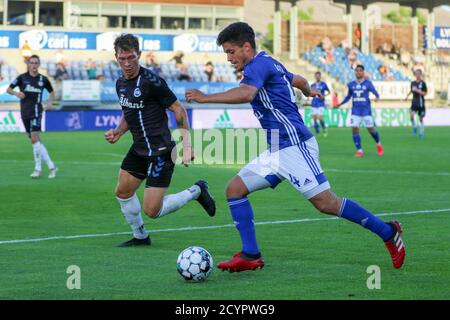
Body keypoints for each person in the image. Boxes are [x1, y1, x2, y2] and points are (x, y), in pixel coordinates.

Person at [185, 22, 405, 272]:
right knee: (234, 189)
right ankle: (250, 255)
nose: (229, 58)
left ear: (247, 47)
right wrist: (309, 92)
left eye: (231, 52)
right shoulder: (270, 63)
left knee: (326, 203)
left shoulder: (257, 66)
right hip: (277, 148)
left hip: (295, 145)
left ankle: (388, 232)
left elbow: (246, 94)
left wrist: (206, 97)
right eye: (226, 53)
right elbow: (297, 79)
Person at [104, 34, 216, 247]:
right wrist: (119, 131)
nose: (127, 63)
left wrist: (186, 144)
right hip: (138, 150)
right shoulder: (120, 83)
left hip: (161, 151)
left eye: (131, 58)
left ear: (139, 55)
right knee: (123, 192)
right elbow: (129, 111)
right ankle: (140, 237)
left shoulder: (152, 82)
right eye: (122, 59)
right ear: (116, 57)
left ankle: (197, 190)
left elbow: (178, 109)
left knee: (152, 210)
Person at [7, 55, 57, 179]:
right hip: (24, 112)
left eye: (36, 63)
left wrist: (49, 103)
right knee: (36, 141)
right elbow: (8, 89)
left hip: (37, 111)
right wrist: (16, 93)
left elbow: (52, 92)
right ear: (28, 64)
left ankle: (38, 169)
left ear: (39, 64)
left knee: (34, 138)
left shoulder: (43, 79)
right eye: (32, 63)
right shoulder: (22, 78)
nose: (34, 65)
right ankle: (51, 166)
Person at [335, 65, 384, 157]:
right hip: (355, 111)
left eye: (360, 70)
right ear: (355, 72)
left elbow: (376, 93)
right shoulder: (351, 84)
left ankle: (378, 144)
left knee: (370, 129)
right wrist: (340, 104)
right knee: (354, 129)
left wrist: (377, 97)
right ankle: (360, 150)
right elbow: (348, 96)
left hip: (366, 110)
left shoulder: (368, 83)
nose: (358, 72)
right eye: (357, 70)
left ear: (363, 72)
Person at [404, 69, 427, 138]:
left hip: (421, 103)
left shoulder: (423, 83)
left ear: (421, 74)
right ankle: (414, 127)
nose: (417, 75)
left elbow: (425, 93)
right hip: (414, 103)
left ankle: (422, 132)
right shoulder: (413, 83)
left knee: (420, 118)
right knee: (411, 116)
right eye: (416, 74)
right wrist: (406, 97)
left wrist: (418, 91)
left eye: (418, 74)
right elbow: (411, 91)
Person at [310, 71, 330, 136]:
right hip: (314, 103)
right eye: (316, 75)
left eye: (319, 75)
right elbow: (310, 93)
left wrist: (324, 96)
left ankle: (324, 128)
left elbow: (329, 92)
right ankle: (317, 132)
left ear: (320, 76)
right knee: (315, 119)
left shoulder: (323, 84)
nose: (317, 77)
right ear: (315, 76)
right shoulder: (312, 85)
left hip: (321, 103)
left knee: (320, 118)